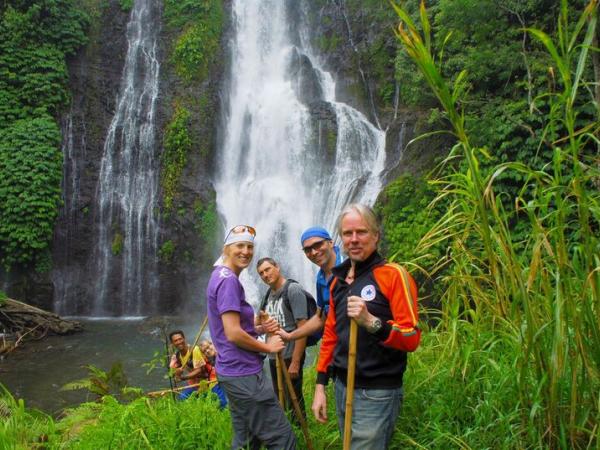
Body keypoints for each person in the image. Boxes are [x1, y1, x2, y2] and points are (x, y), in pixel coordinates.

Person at [312, 204, 421, 450]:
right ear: (340, 238)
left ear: (376, 235)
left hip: (376, 392)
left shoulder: (394, 276)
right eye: (348, 233)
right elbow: (330, 335)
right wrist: (321, 385)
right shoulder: (337, 282)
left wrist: (371, 322)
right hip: (341, 387)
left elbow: (412, 336)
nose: (354, 239)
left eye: (361, 232)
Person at [206, 225, 296, 450]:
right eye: (240, 246)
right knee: (283, 439)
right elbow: (233, 333)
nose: (246, 251)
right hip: (243, 373)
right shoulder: (229, 281)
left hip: (230, 371)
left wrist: (256, 327)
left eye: (249, 246)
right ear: (226, 248)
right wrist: (268, 347)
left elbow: (232, 326)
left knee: (246, 441)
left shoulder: (219, 274)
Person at [256, 257, 308, 419]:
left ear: (277, 267)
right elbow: (258, 323)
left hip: (290, 356)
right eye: (261, 273)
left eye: (268, 269)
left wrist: (296, 361)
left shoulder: (293, 290)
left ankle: (300, 432)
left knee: (294, 400)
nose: (265, 275)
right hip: (274, 356)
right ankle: (287, 434)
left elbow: (303, 328)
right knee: (281, 399)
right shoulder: (268, 295)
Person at [276, 226, 342, 342]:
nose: (314, 252)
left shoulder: (350, 267)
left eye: (318, 245)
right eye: (308, 249)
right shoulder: (320, 278)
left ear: (330, 243)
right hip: (339, 343)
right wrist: (291, 336)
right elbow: (320, 318)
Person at [168, 330, 210, 401]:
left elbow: (200, 370)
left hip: (206, 382)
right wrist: (176, 373)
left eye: (180, 339)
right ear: (172, 343)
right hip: (193, 384)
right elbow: (173, 374)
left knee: (202, 400)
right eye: (175, 341)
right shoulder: (178, 355)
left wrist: (183, 377)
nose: (179, 342)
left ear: (184, 339)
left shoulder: (194, 350)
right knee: (182, 398)